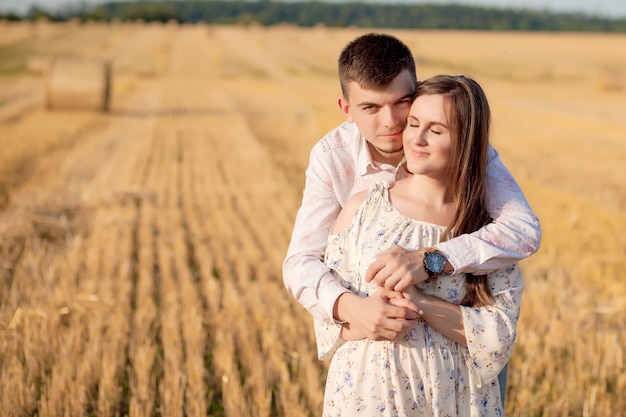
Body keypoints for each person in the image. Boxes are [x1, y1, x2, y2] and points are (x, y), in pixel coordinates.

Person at [283, 33, 541, 405]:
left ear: (416, 91)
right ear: (346, 108)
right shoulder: (333, 158)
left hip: (463, 379)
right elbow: (300, 262)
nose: (393, 123)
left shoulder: (468, 149)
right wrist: (352, 308)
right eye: (370, 107)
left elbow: (522, 232)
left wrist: (431, 259)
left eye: (402, 102)